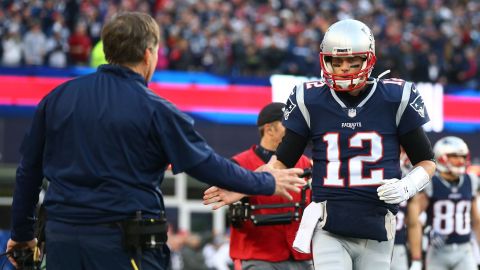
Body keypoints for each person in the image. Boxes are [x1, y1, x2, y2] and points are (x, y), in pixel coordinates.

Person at [5, 12, 306, 270]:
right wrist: (266, 182)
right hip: (124, 245)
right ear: (149, 54)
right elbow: (206, 164)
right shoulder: (156, 109)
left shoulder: (56, 98)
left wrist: (22, 233)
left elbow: (28, 172)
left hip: (62, 242)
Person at [203, 19, 437, 270]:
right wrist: (241, 187)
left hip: (377, 224)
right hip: (329, 224)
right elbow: (280, 163)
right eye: (336, 62)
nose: (344, 68)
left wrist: (407, 187)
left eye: (352, 61)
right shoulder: (310, 99)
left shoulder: (395, 98)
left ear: (369, 59)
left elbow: (426, 160)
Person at [227, 102, 313, 270]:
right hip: (258, 256)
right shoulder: (239, 163)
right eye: (288, 124)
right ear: (269, 129)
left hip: (301, 255)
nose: (295, 130)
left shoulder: (306, 163)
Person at [407, 136, 480, 270]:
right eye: (455, 156)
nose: (461, 160)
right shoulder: (431, 183)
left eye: (463, 157)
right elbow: (413, 220)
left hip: (465, 250)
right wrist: (417, 256)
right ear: (442, 156)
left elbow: (477, 220)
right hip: (437, 251)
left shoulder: (471, 181)